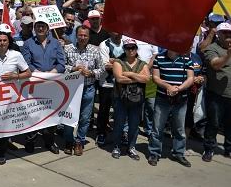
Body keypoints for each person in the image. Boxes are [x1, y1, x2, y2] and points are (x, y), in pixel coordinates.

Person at [0, 24, 32, 164]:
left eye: (5, 40)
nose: (2, 43)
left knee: (4, 126)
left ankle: (1, 153)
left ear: (9, 42)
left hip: (9, 97)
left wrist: (15, 77)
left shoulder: (16, 55)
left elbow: (28, 73)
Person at [21, 20, 65, 154]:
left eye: (43, 26)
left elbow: (61, 64)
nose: (40, 28)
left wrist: (50, 74)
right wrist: (40, 75)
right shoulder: (28, 43)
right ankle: (30, 141)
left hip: (52, 84)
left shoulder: (56, 43)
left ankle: (49, 142)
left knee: (50, 113)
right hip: (34, 84)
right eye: (38, 26)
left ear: (47, 29)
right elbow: (26, 63)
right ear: (34, 28)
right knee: (32, 113)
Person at [148, 48, 195, 167]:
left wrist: (179, 88)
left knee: (179, 129)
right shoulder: (159, 58)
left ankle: (179, 153)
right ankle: (154, 153)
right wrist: (168, 86)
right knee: (157, 127)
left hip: (180, 100)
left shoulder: (186, 59)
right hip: (162, 99)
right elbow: (155, 77)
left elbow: (190, 78)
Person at [63, 26, 104, 156]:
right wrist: (73, 68)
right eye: (80, 35)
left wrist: (91, 73)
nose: (82, 38)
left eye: (85, 36)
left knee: (85, 117)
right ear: (76, 35)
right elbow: (61, 66)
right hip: (71, 89)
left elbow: (101, 69)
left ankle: (79, 141)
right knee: (69, 116)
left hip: (88, 88)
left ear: (88, 37)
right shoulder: (67, 49)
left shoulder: (95, 50)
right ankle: (69, 141)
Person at [111, 38, 148, 161]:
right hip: (120, 98)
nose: (131, 50)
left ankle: (131, 147)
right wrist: (138, 78)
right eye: (128, 48)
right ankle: (116, 146)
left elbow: (147, 79)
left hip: (137, 99)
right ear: (124, 49)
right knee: (119, 123)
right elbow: (119, 79)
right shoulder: (118, 62)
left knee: (134, 125)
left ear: (136, 49)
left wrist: (130, 74)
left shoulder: (142, 63)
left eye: (133, 47)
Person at [201, 22, 231, 161]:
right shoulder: (212, 48)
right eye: (224, 33)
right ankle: (209, 149)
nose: (228, 35)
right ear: (218, 34)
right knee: (214, 123)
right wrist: (228, 55)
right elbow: (215, 64)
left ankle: (228, 149)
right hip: (217, 94)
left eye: (230, 32)